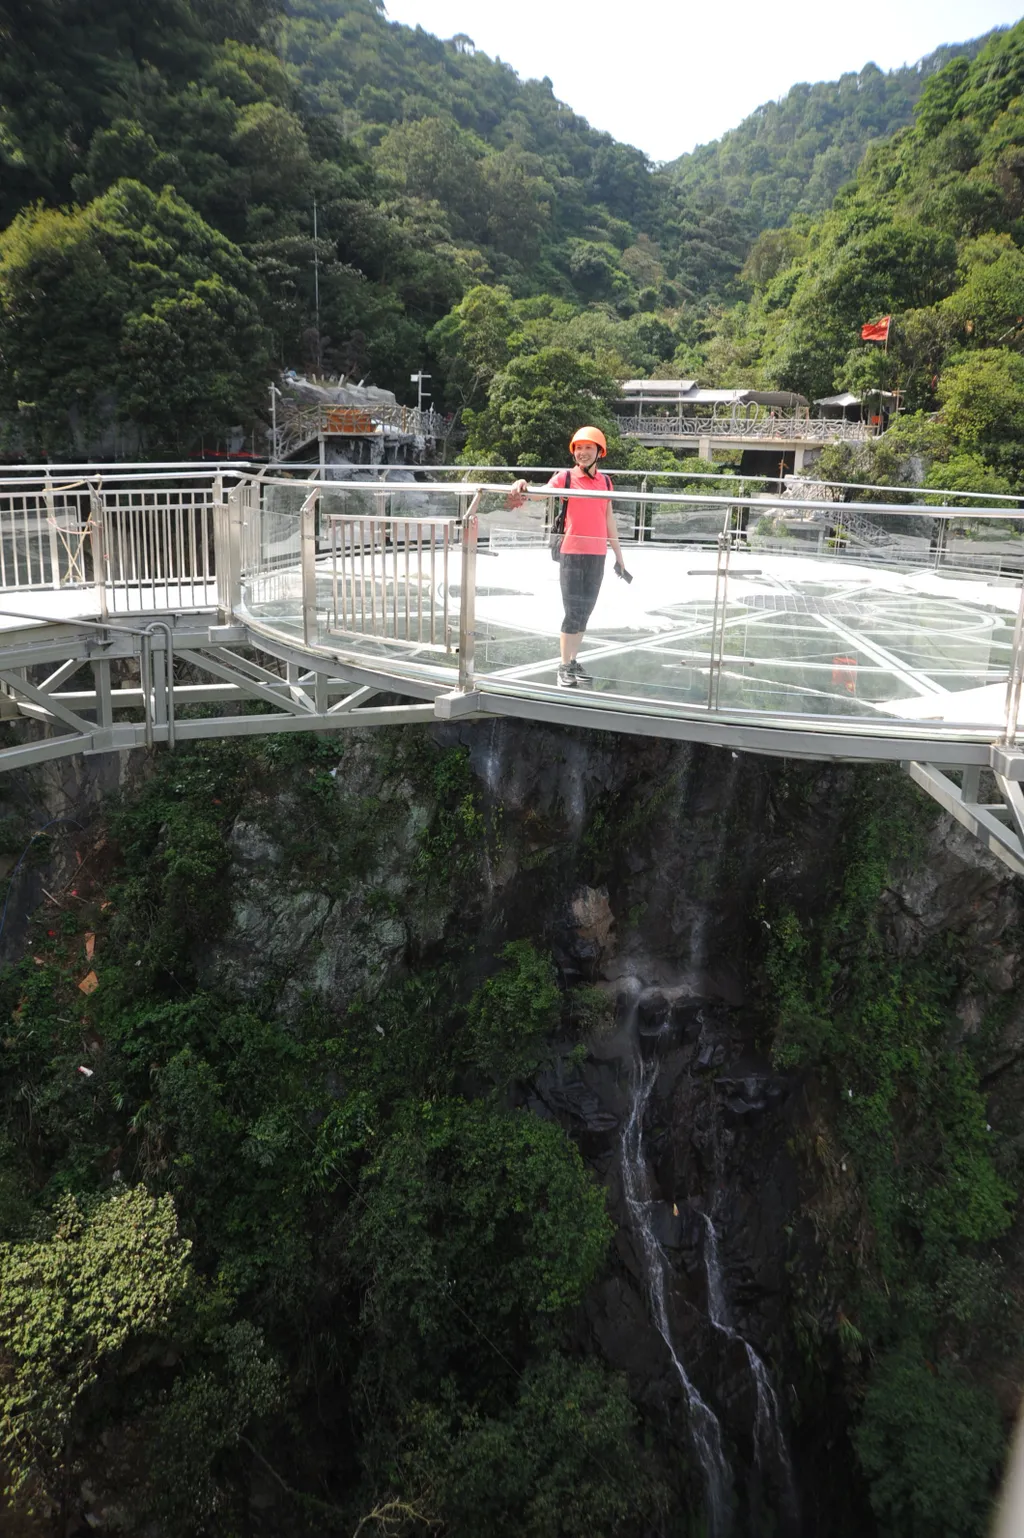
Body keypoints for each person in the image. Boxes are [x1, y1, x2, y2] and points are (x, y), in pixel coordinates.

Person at [511, 426, 629, 688]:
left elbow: (608, 519)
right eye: (579, 448)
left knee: (585, 612)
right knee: (572, 611)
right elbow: (540, 492)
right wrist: (523, 485)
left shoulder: (606, 482)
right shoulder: (565, 478)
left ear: (600, 452)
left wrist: (619, 556)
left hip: (597, 554)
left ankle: (573, 660)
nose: (583, 452)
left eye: (589, 448)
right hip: (572, 553)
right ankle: (564, 665)